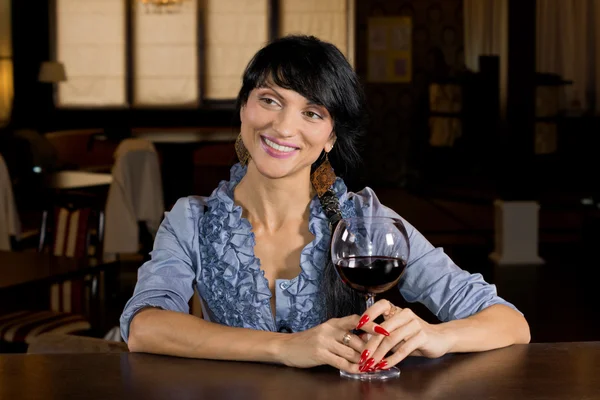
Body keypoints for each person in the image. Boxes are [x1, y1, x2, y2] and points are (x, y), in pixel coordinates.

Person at [120, 35, 530, 374]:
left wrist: (437, 336)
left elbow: (510, 323)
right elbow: (144, 327)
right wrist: (286, 348)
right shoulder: (191, 218)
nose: (283, 126)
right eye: (270, 100)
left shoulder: (367, 221)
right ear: (244, 107)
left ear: (331, 137)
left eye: (312, 113)